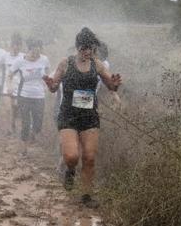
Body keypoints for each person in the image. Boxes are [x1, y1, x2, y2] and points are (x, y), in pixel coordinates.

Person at [43, 27, 122, 207]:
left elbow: (110, 84)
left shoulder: (98, 64)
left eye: (90, 49)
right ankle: (70, 170)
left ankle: (86, 196)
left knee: (89, 157)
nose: (87, 52)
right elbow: (55, 86)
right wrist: (51, 84)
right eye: (84, 48)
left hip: (89, 116)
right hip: (68, 116)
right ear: (77, 47)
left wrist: (114, 84)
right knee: (71, 156)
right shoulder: (66, 63)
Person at [11, 39, 49, 146]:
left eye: (38, 51)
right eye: (33, 51)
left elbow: (47, 74)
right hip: (24, 95)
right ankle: (24, 147)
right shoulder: (20, 61)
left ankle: (33, 134)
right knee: (26, 122)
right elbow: (10, 74)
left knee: (38, 122)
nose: (35, 54)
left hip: (39, 95)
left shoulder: (44, 59)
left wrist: (47, 84)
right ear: (29, 50)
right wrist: (10, 86)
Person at [2, 33, 25, 133]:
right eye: (14, 46)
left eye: (18, 46)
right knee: (7, 107)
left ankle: (13, 122)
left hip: (19, 86)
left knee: (15, 106)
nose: (16, 48)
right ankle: (9, 127)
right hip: (7, 85)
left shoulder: (24, 57)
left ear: (20, 46)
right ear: (11, 46)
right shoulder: (5, 56)